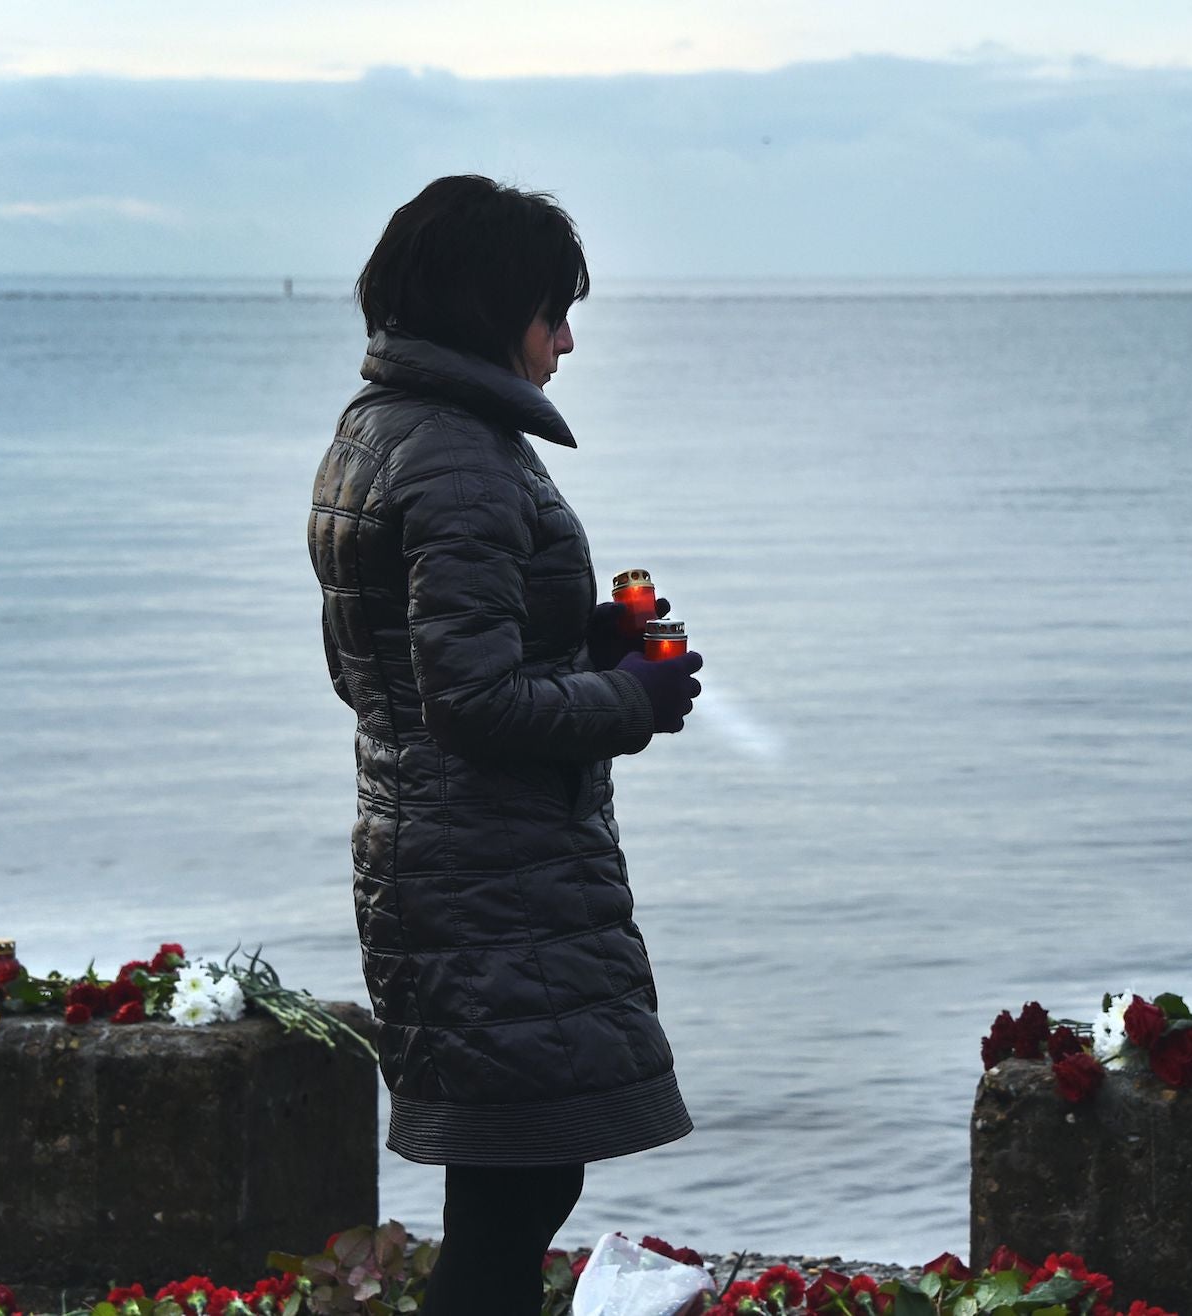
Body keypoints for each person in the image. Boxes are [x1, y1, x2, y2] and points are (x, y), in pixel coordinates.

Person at [307, 175, 704, 1316]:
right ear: (491, 309)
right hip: (490, 875)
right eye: (551, 310)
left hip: (434, 856)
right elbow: (469, 702)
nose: (567, 340)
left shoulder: (381, 432)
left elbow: (380, 667)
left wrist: (583, 644)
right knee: (513, 1200)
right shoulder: (461, 455)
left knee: (510, 1193)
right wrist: (631, 694)